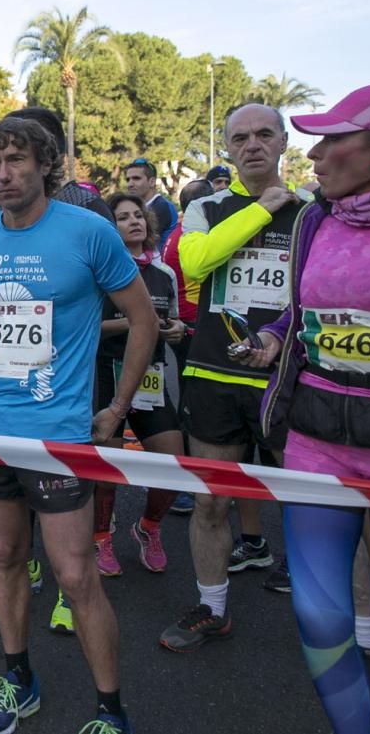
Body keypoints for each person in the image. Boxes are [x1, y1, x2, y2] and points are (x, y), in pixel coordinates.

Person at [0, 117, 155, 734]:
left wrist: (116, 409)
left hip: (61, 434)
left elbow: (143, 321)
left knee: (74, 575)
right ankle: (19, 677)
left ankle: (109, 709)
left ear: (44, 164)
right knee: (6, 553)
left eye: (15, 160)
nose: (3, 175)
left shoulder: (89, 232)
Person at [243, 84, 370, 734]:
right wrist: (276, 334)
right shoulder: (317, 218)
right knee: (320, 615)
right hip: (317, 439)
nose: (314, 153)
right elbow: (303, 306)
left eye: (334, 138)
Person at [159, 103, 310, 652]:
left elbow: (316, 289)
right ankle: (212, 606)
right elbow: (194, 263)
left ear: (283, 142)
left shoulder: (314, 211)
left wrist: (279, 339)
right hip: (214, 372)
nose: (253, 145)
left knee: (319, 504)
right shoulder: (208, 206)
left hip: (286, 376)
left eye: (264, 134)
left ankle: (351, 628)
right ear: (226, 148)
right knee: (210, 500)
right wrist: (263, 209)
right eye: (240, 137)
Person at [91, 194, 186, 576]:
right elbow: (87, 329)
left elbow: (175, 320)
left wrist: (175, 329)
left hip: (152, 377)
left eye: (138, 215)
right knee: (106, 469)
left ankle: (148, 527)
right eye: (122, 217)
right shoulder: (100, 272)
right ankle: (101, 537)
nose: (134, 222)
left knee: (172, 465)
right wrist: (137, 321)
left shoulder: (164, 274)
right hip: (106, 373)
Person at [161, 178, 216, 515]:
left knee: (190, 400)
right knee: (195, 406)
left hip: (188, 323)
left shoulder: (176, 234)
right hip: (193, 325)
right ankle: (187, 486)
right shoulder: (194, 237)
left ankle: (189, 484)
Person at [9, 107, 114, 223]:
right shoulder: (1, 214)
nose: (4, 172)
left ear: (58, 157)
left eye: (18, 159)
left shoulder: (89, 208)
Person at [123, 158, 179, 248]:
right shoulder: (143, 207)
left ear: (152, 182)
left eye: (136, 178)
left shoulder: (161, 206)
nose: (130, 184)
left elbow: (142, 243)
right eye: (128, 180)